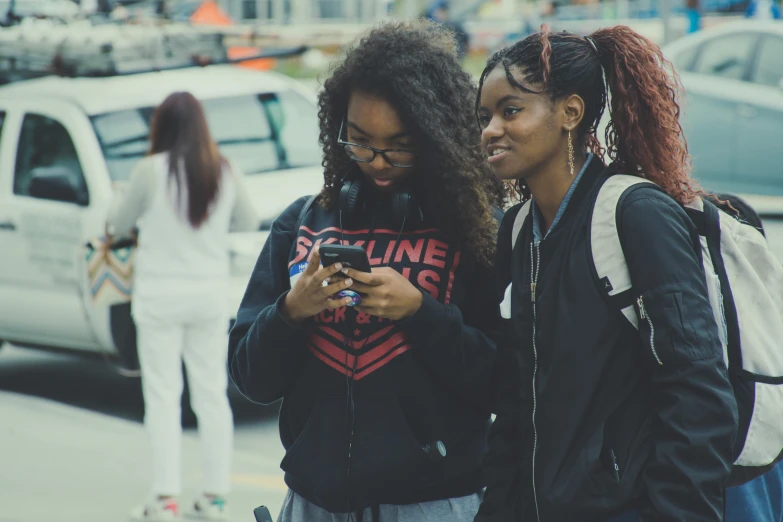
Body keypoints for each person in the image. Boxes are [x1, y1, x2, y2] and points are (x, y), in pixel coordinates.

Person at [228, 21, 505, 522]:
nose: (377, 161)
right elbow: (251, 379)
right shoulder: (300, 224)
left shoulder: (478, 232)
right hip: (313, 503)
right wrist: (292, 311)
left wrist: (420, 313)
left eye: (399, 145)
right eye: (359, 140)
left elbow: (506, 382)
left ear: (435, 135)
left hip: (433, 503)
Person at [475, 25, 739, 521]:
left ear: (570, 113)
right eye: (485, 116)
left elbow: (698, 395)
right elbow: (514, 406)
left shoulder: (636, 214)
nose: (490, 129)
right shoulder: (516, 231)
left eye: (510, 110)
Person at [107, 91, 259, 521]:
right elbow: (246, 221)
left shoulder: (148, 171)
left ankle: (165, 499)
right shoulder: (223, 170)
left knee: (162, 397)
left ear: (162, 126)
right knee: (211, 396)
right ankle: (214, 498)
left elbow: (118, 226)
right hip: (209, 297)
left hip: (158, 299)